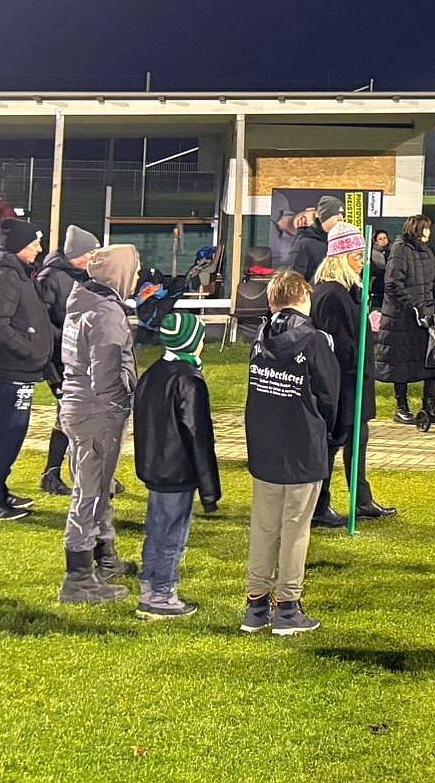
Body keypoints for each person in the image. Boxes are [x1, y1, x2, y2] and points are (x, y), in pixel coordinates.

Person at [242, 272, 337, 635]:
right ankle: (287, 607)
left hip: (265, 444)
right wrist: (328, 433)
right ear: (302, 297)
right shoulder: (314, 341)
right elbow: (329, 395)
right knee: (295, 528)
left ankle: (255, 604)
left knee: (264, 526)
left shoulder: (260, 338)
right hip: (302, 446)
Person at [57, 243, 142, 605]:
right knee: (89, 495)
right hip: (98, 412)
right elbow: (106, 374)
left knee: (98, 488)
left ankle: (105, 559)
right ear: (119, 273)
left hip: (81, 407)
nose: (138, 276)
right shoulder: (105, 312)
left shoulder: (85, 302)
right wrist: (128, 397)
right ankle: (78, 580)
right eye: (135, 270)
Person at [131, 312, 222, 620]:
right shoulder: (189, 381)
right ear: (191, 343)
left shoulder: (153, 373)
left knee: (156, 530)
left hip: (155, 469)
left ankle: (149, 584)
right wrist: (209, 489)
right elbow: (199, 436)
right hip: (178, 471)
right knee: (172, 535)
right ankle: (162, 593)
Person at [312, 223, 394, 525]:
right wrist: (355, 365)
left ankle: (361, 499)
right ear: (340, 257)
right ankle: (319, 504)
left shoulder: (349, 291)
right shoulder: (331, 294)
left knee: (358, 440)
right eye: (357, 256)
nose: (363, 261)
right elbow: (338, 344)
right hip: (343, 383)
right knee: (334, 442)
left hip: (356, 379)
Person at [0, 219, 52, 522]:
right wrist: (29, 350)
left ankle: (0, 490)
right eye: (34, 244)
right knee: (5, 433)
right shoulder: (3, 277)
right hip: (11, 371)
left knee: (13, 433)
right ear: (20, 246)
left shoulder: (18, 273)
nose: (39, 249)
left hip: (21, 370)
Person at [34, 226, 101, 497]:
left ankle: (85, 473)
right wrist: (67, 339)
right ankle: (53, 473)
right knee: (71, 414)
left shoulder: (83, 277)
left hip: (80, 357)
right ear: (77, 254)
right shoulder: (51, 278)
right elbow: (41, 321)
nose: (94, 258)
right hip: (59, 359)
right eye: (91, 253)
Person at [374, 214, 435, 425]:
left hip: (426, 314)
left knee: (432, 360)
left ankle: (429, 405)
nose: (429, 232)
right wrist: (412, 306)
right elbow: (393, 283)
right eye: (426, 228)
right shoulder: (400, 250)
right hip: (401, 318)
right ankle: (402, 407)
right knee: (401, 362)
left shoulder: (427, 252)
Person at [285, 197, 341, 282]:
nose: (307, 223)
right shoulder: (304, 243)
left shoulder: (331, 246)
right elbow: (293, 282)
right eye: (314, 217)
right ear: (310, 209)